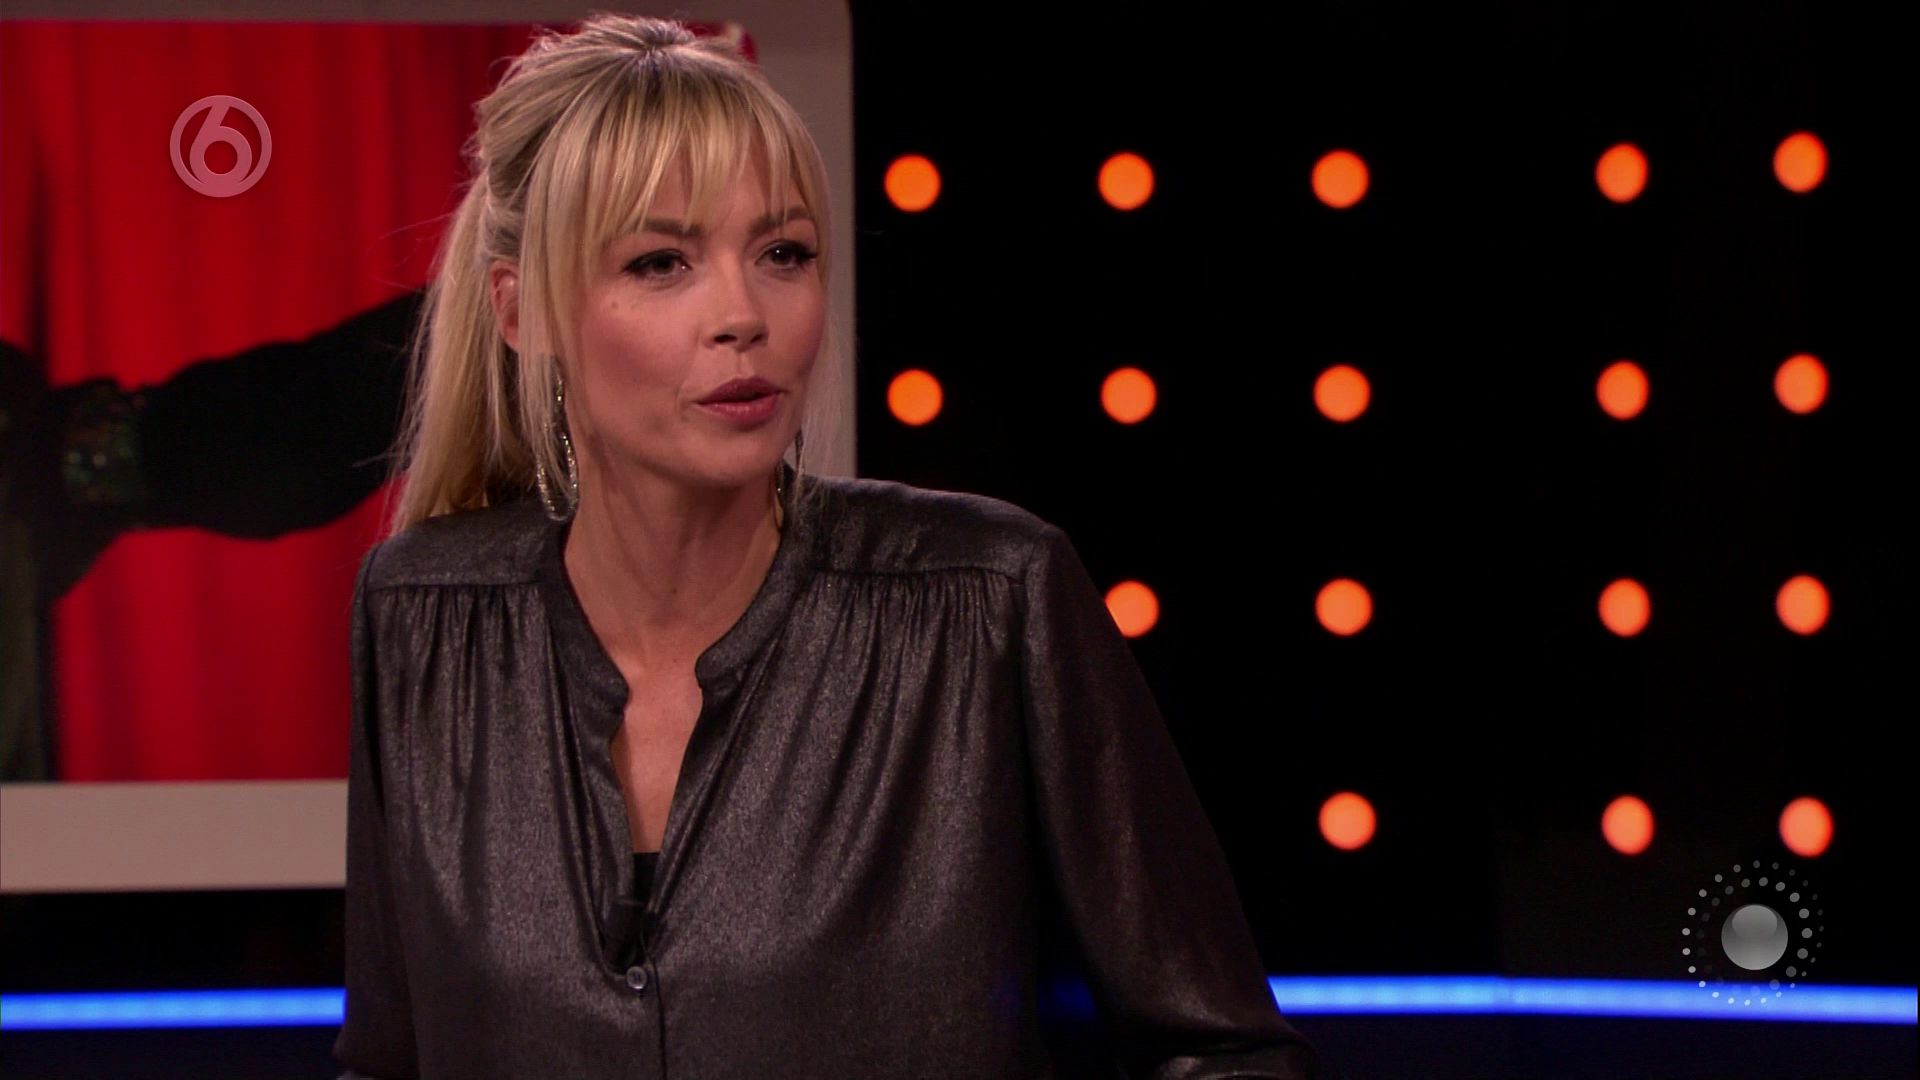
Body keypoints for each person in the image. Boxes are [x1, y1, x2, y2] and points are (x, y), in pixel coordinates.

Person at [334, 13, 1318, 1079]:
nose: (742, 314)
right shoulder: (423, 615)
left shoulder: (988, 600)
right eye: (662, 262)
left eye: (783, 253)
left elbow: (1227, 1055)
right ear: (522, 311)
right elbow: (388, 1060)